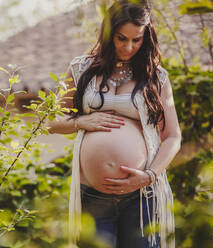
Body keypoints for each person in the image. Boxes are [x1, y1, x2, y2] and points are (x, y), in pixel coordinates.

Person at [47, 1, 181, 247]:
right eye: (121, 38)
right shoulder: (81, 68)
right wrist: (81, 121)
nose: (128, 47)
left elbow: (172, 136)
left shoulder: (156, 77)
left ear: (146, 38)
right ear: (108, 33)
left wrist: (149, 176)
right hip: (92, 196)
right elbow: (51, 122)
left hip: (142, 195)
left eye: (136, 40)